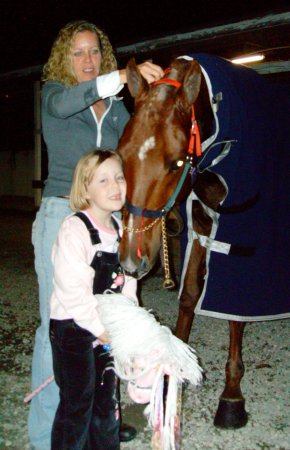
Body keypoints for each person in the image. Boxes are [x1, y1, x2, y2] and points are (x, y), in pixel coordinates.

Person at [28, 19, 164, 450]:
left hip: (107, 220)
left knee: (108, 320)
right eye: (78, 53)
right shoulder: (54, 94)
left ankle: (99, 414)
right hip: (61, 213)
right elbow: (64, 105)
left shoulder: (119, 107)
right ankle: (45, 431)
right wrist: (121, 77)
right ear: (64, 60)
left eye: (94, 52)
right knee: (62, 326)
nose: (87, 60)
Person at [49, 149, 137, 449]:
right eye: (103, 180)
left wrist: (129, 323)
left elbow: (128, 281)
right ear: (85, 188)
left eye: (119, 177)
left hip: (106, 329)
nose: (115, 186)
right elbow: (73, 292)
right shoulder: (75, 229)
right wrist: (102, 331)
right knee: (77, 403)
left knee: (106, 401)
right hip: (73, 329)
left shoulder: (121, 228)